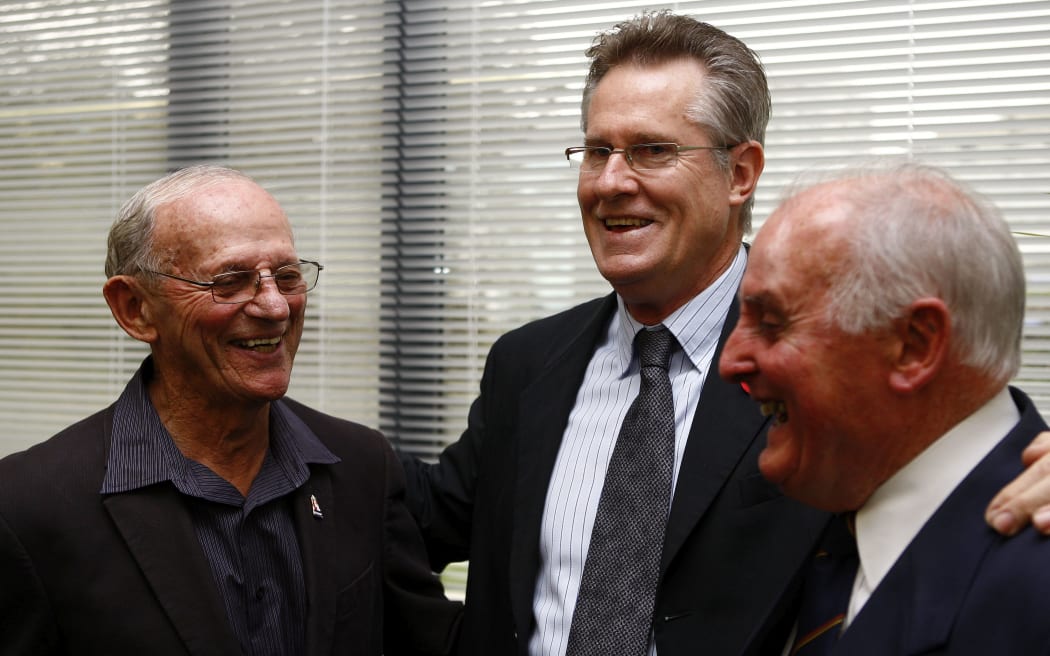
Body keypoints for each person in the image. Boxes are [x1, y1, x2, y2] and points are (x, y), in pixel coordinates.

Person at [399, 11, 1050, 656]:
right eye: (597, 151)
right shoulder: (527, 363)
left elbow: (952, 457)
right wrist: (293, 414)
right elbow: (424, 517)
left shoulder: (824, 362)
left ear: (740, 173)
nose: (610, 182)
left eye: (651, 150)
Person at [0, 164, 462, 655]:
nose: (276, 306)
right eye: (230, 281)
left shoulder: (360, 466)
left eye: (286, 276)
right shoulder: (27, 509)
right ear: (135, 308)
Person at [719, 160, 1050, 654]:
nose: (730, 361)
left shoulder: (1033, 580)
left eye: (772, 323)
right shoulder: (828, 495)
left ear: (914, 344)